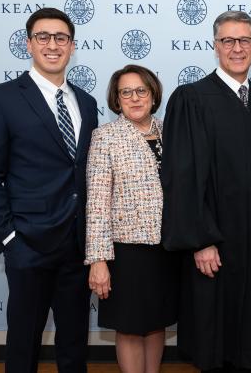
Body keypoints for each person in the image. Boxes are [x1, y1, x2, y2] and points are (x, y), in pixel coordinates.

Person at [0, 7, 98, 372]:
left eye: (61, 38)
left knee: (74, 345)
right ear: (29, 44)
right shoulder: (0, 99)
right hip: (28, 244)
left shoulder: (86, 103)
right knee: (24, 345)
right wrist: (10, 237)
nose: (52, 45)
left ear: (72, 46)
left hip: (78, 246)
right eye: (43, 37)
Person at [161, 10, 251, 373]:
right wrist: (200, 239)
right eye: (227, 40)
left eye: (244, 40)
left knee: (249, 342)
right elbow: (180, 176)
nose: (236, 48)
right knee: (214, 341)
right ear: (214, 46)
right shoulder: (191, 99)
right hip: (214, 241)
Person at [85, 64, 178, 373]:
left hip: (167, 248)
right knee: (129, 327)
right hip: (127, 251)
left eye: (142, 91)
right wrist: (99, 260)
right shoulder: (105, 137)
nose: (135, 98)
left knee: (156, 323)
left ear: (153, 96)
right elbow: (97, 203)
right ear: (116, 98)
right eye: (126, 92)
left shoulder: (172, 131)